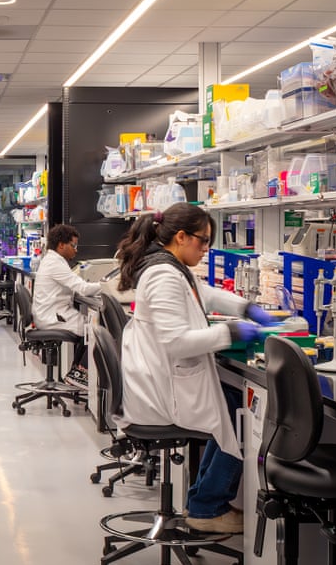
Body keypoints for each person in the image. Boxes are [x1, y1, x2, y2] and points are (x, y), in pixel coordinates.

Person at [114, 203, 276, 534]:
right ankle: (208, 506)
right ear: (181, 236)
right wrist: (230, 332)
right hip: (161, 394)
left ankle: (204, 500)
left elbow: (204, 294)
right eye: (203, 241)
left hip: (162, 381)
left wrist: (246, 307)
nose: (205, 249)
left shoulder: (171, 267)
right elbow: (176, 341)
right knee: (243, 412)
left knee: (232, 402)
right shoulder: (162, 274)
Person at [32, 224, 102, 388]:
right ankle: (79, 376)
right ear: (61, 245)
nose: (76, 250)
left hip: (51, 314)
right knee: (94, 328)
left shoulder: (53, 260)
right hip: (52, 317)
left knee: (88, 325)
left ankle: (76, 372)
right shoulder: (55, 263)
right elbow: (83, 288)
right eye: (73, 245)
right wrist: (109, 284)